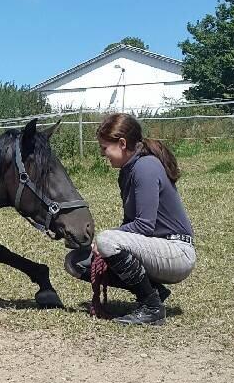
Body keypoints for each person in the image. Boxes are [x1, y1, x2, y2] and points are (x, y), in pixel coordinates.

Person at [65, 113, 196, 326]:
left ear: (122, 143)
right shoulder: (128, 171)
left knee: (107, 241)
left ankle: (151, 308)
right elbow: (131, 223)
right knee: (77, 262)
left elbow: (144, 225)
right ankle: (153, 292)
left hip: (177, 253)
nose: (102, 154)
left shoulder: (145, 167)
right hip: (155, 249)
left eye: (104, 147)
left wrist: (105, 241)